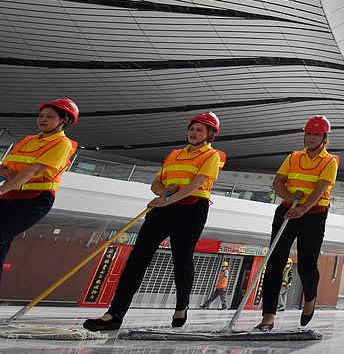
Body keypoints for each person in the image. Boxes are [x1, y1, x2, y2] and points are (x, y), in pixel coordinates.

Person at [84, 111, 223, 331]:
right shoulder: (174, 154)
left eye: (199, 130)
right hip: (164, 206)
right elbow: (156, 184)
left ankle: (181, 306)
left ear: (210, 134)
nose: (193, 133)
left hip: (191, 209)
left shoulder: (212, 156)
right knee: (137, 258)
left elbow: (196, 184)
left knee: (181, 257)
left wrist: (169, 199)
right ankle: (115, 313)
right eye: (192, 129)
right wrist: (164, 194)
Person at [253, 115, 338, 331]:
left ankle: (309, 299)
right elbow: (278, 182)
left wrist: (301, 209)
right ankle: (268, 316)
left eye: (316, 134)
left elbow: (319, 191)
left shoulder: (330, 161)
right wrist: (291, 201)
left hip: (314, 214)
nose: (310, 138)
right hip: (287, 210)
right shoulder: (292, 157)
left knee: (307, 265)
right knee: (274, 262)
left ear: (324, 137)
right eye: (308, 133)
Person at [0, 98, 79, 285]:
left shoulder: (62, 144)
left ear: (64, 120)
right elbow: (4, 166)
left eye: (49, 117)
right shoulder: (28, 140)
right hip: (10, 195)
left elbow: (33, 170)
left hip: (34, 201)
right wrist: (5, 173)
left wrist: (3, 188)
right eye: (41, 116)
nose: (42, 119)